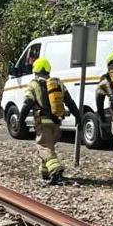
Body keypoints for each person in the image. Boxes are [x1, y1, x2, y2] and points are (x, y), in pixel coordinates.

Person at [17, 57, 80, 185]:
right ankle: (45, 172)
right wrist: (78, 117)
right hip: (57, 123)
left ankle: (56, 172)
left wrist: (20, 120)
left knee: (44, 147)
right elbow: (70, 101)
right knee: (48, 148)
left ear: (35, 70)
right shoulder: (58, 83)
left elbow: (27, 103)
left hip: (43, 122)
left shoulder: (33, 85)